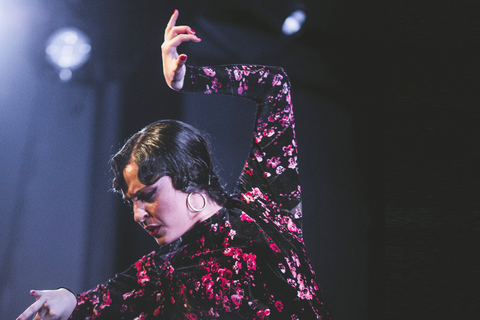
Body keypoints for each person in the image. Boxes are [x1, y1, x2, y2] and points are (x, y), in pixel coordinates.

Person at [17, 10, 333, 320]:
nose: (139, 214)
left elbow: (273, 84)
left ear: (189, 176)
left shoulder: (264, 205)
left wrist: (189, 79)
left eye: (149, 194)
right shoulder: (164, 272)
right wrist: (69, 299)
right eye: (133, 202)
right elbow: (101, 300)